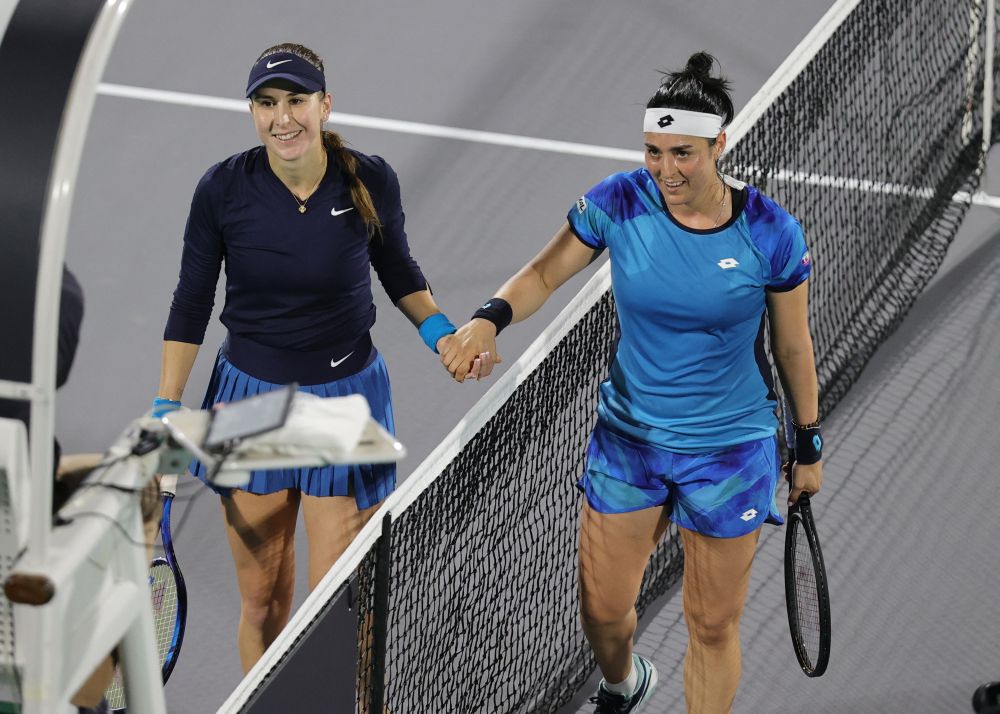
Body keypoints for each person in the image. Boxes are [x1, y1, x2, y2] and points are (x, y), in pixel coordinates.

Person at [442, 52, 824, 713]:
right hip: (630, 442)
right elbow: (540, 273)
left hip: (728, 450)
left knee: (711, 624)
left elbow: (792, 346)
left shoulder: (770, 232)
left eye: (683, 153)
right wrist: (487, 319)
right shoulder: (620, 201)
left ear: (718, 145)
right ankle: (624, 682)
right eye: (653, 151)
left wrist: (809, 444)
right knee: (603, 611)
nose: (666, 169)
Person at [152, 43, 482, 673]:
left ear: (324, 105)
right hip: (252, 404)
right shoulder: (222, 189)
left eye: (296, 101)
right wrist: (167, 402)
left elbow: (396, 266)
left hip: (345, 405)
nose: (283, 118)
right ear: (252, 111)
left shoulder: (369, 178)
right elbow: (191, 298)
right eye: (267, 103)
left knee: (337, 615)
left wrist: (440, 331)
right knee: (262, 607)